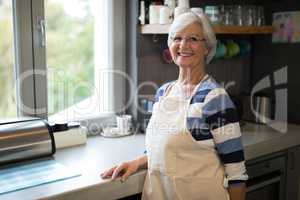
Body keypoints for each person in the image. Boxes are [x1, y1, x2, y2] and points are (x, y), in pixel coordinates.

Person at [101, 11, 248, 200]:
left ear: (207, 48)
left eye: (193, 38)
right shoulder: (163, 92)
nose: (183, 45)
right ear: (170, 45)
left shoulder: (214, 98)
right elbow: (163, 149)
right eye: (177, 38)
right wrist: (136, 162)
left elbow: (237, 174)